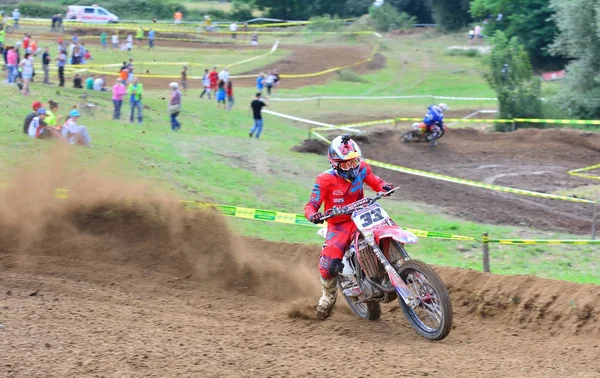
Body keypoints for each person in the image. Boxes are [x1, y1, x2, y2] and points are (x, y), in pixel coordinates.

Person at [304, 134, 395, 320]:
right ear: (335, 164)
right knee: (329, 264)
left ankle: (397, 265)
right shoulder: (324, 180)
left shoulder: (362, 169)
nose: (352, 167)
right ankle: (328, 297)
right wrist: (313, 215)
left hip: (364, 214)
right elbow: (311, 205)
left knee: (389, 232)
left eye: (355, 161)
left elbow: (375, 181)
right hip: (340, 224)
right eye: (346, 164)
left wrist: (384, 187)